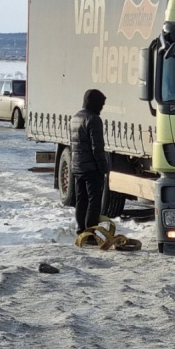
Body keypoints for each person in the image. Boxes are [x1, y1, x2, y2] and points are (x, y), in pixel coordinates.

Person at [70, 88, 109, 240]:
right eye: (101, 104)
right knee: (94, 201)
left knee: (81, 200)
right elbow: (97, 148)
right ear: (95, 103)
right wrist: (103, 167)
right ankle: (91, 234)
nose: (102, 108)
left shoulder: (75, 118)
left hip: (77, 166)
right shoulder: (93, 119)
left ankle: (81, 232)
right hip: (92, 168)